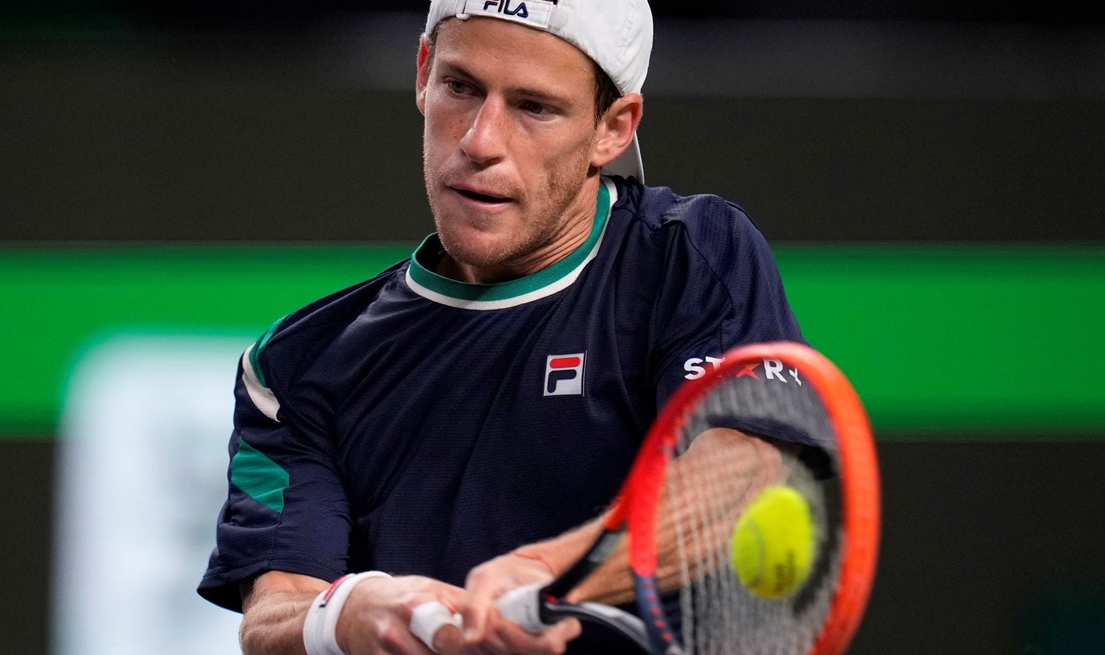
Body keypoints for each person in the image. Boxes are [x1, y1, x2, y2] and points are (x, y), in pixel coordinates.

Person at [198, 1, 804, 653]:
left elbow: (739, 472)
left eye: (534, 107)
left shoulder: (690, 254)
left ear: (612, 128)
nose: (480, 142)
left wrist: (546, 570)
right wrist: (346, 613)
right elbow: (275, 612)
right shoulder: (294, 364)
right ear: (423, 73)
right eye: (461, 87)